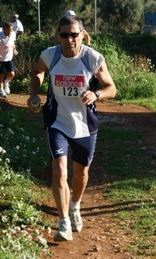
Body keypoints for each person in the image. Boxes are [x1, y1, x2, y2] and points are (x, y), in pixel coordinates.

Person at [27, 15, 116, 241]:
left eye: (74, 34)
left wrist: (96, 94)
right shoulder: (50, 55)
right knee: (59, 171)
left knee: (81, 173)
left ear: (81, 35)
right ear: (58, 35)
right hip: (56, 122)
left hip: (85, 125)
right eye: (64, 35)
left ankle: (75, 205)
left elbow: (111, 88)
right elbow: (37, 71)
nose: (69, 39)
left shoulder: (92, 58)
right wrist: (34, 94)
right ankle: (63, 222)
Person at [0, 21, 18, 98]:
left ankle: (6, 83)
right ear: (4, 29)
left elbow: (12, 43)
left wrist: (14, 50)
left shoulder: (13, 34)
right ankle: (1, 91)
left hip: (8, 58)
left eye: (11, 30)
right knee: (0, 75)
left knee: (12, 74)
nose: (10, 32)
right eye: (8, 30)